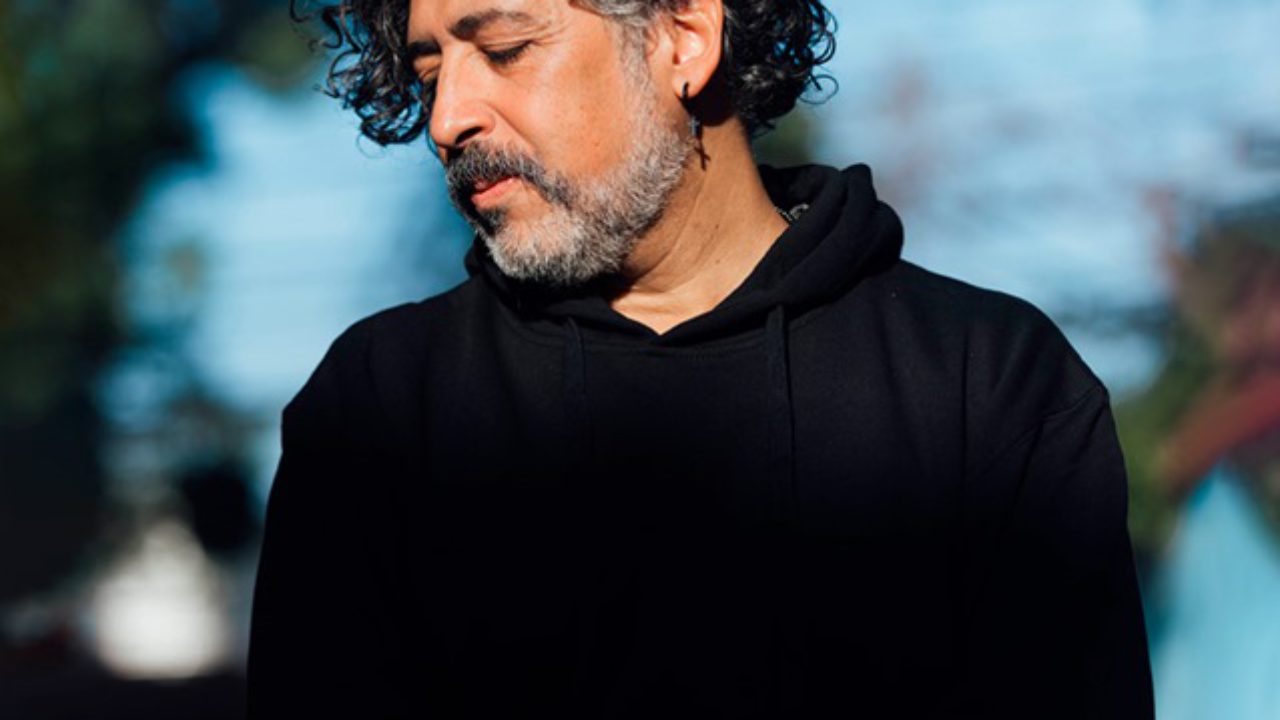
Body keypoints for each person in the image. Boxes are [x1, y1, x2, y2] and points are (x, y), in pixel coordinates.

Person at [247, 0, 1155, 716]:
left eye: (507, 50)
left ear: (684, 35)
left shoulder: (986, 384)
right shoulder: (379, 411)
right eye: (429, 71)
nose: (448, 118)